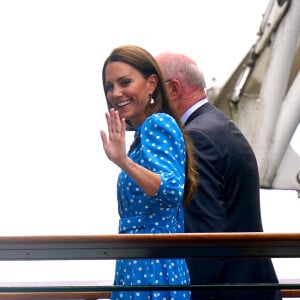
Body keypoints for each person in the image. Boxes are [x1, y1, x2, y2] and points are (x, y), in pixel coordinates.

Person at [156, 52, 282, 300]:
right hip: (253, 286)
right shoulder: (221, 127)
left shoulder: (194, 139)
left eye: (155, 89)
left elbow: (205, 238)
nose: (151, 101)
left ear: (173, 89)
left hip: (226, 292)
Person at [100, 45, 198, 300]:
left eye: (125, 82)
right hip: (139, 264)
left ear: (152, 83)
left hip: (153, 269)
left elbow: (170, 190)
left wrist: (123, 162)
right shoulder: (143, 135)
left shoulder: (157, 124)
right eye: (110, 86)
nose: (115, 93)